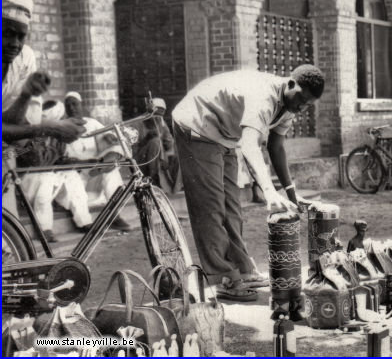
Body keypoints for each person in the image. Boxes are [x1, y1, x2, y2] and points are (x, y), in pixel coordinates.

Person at [172, 65, 325, 301]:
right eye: (302, 100)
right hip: (197, 124)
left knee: (232, 205)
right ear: (291, 84)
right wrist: (268, 191)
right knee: (211, 205)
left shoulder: (290, 103)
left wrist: (291, 192)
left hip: (224, 134)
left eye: (308, 105)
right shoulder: (263, 96)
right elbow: (250, 145)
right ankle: (222, 278)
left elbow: (276, 146)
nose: (301, 107)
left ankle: (242, 269)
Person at [2, 0, 85, 214]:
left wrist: (26, 95)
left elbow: (12, 123)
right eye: (7, 34)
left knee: (9, 230)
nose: (15, 44)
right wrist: (51, 128)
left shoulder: (25, 57)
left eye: (21, 36)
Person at [20, 101, 94, 242]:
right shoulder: (29, 132)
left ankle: (84, 221)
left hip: (46, 175)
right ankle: (44, 228)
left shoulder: (57, 136)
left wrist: (74, 161)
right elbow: (38, 160)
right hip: (26, 180)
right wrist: (57, 150)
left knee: (72, 177)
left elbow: (58, 159)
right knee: (46, 179)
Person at [63, 91, 131, 231]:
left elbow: (107, 136)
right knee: (73, 179)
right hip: (75, 174)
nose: (72, 108)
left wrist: (108, 137)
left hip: (93, 172)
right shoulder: (61, 126)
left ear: (81, 105)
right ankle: (84, 223)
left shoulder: (91, 123)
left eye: (74, 103)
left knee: (111, 172)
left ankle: (114, 216)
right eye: (68, 105)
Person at [133, 97, 178, 192]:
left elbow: (170, 143)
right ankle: (153, 179)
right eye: (155, 115)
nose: (157, 118)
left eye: (159, 116)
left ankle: (174, 182)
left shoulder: (161, 123)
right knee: (155, 142)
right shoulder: (138, 123)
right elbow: (133, 150)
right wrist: (147, 140)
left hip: (159, 159)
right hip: (142, 162)